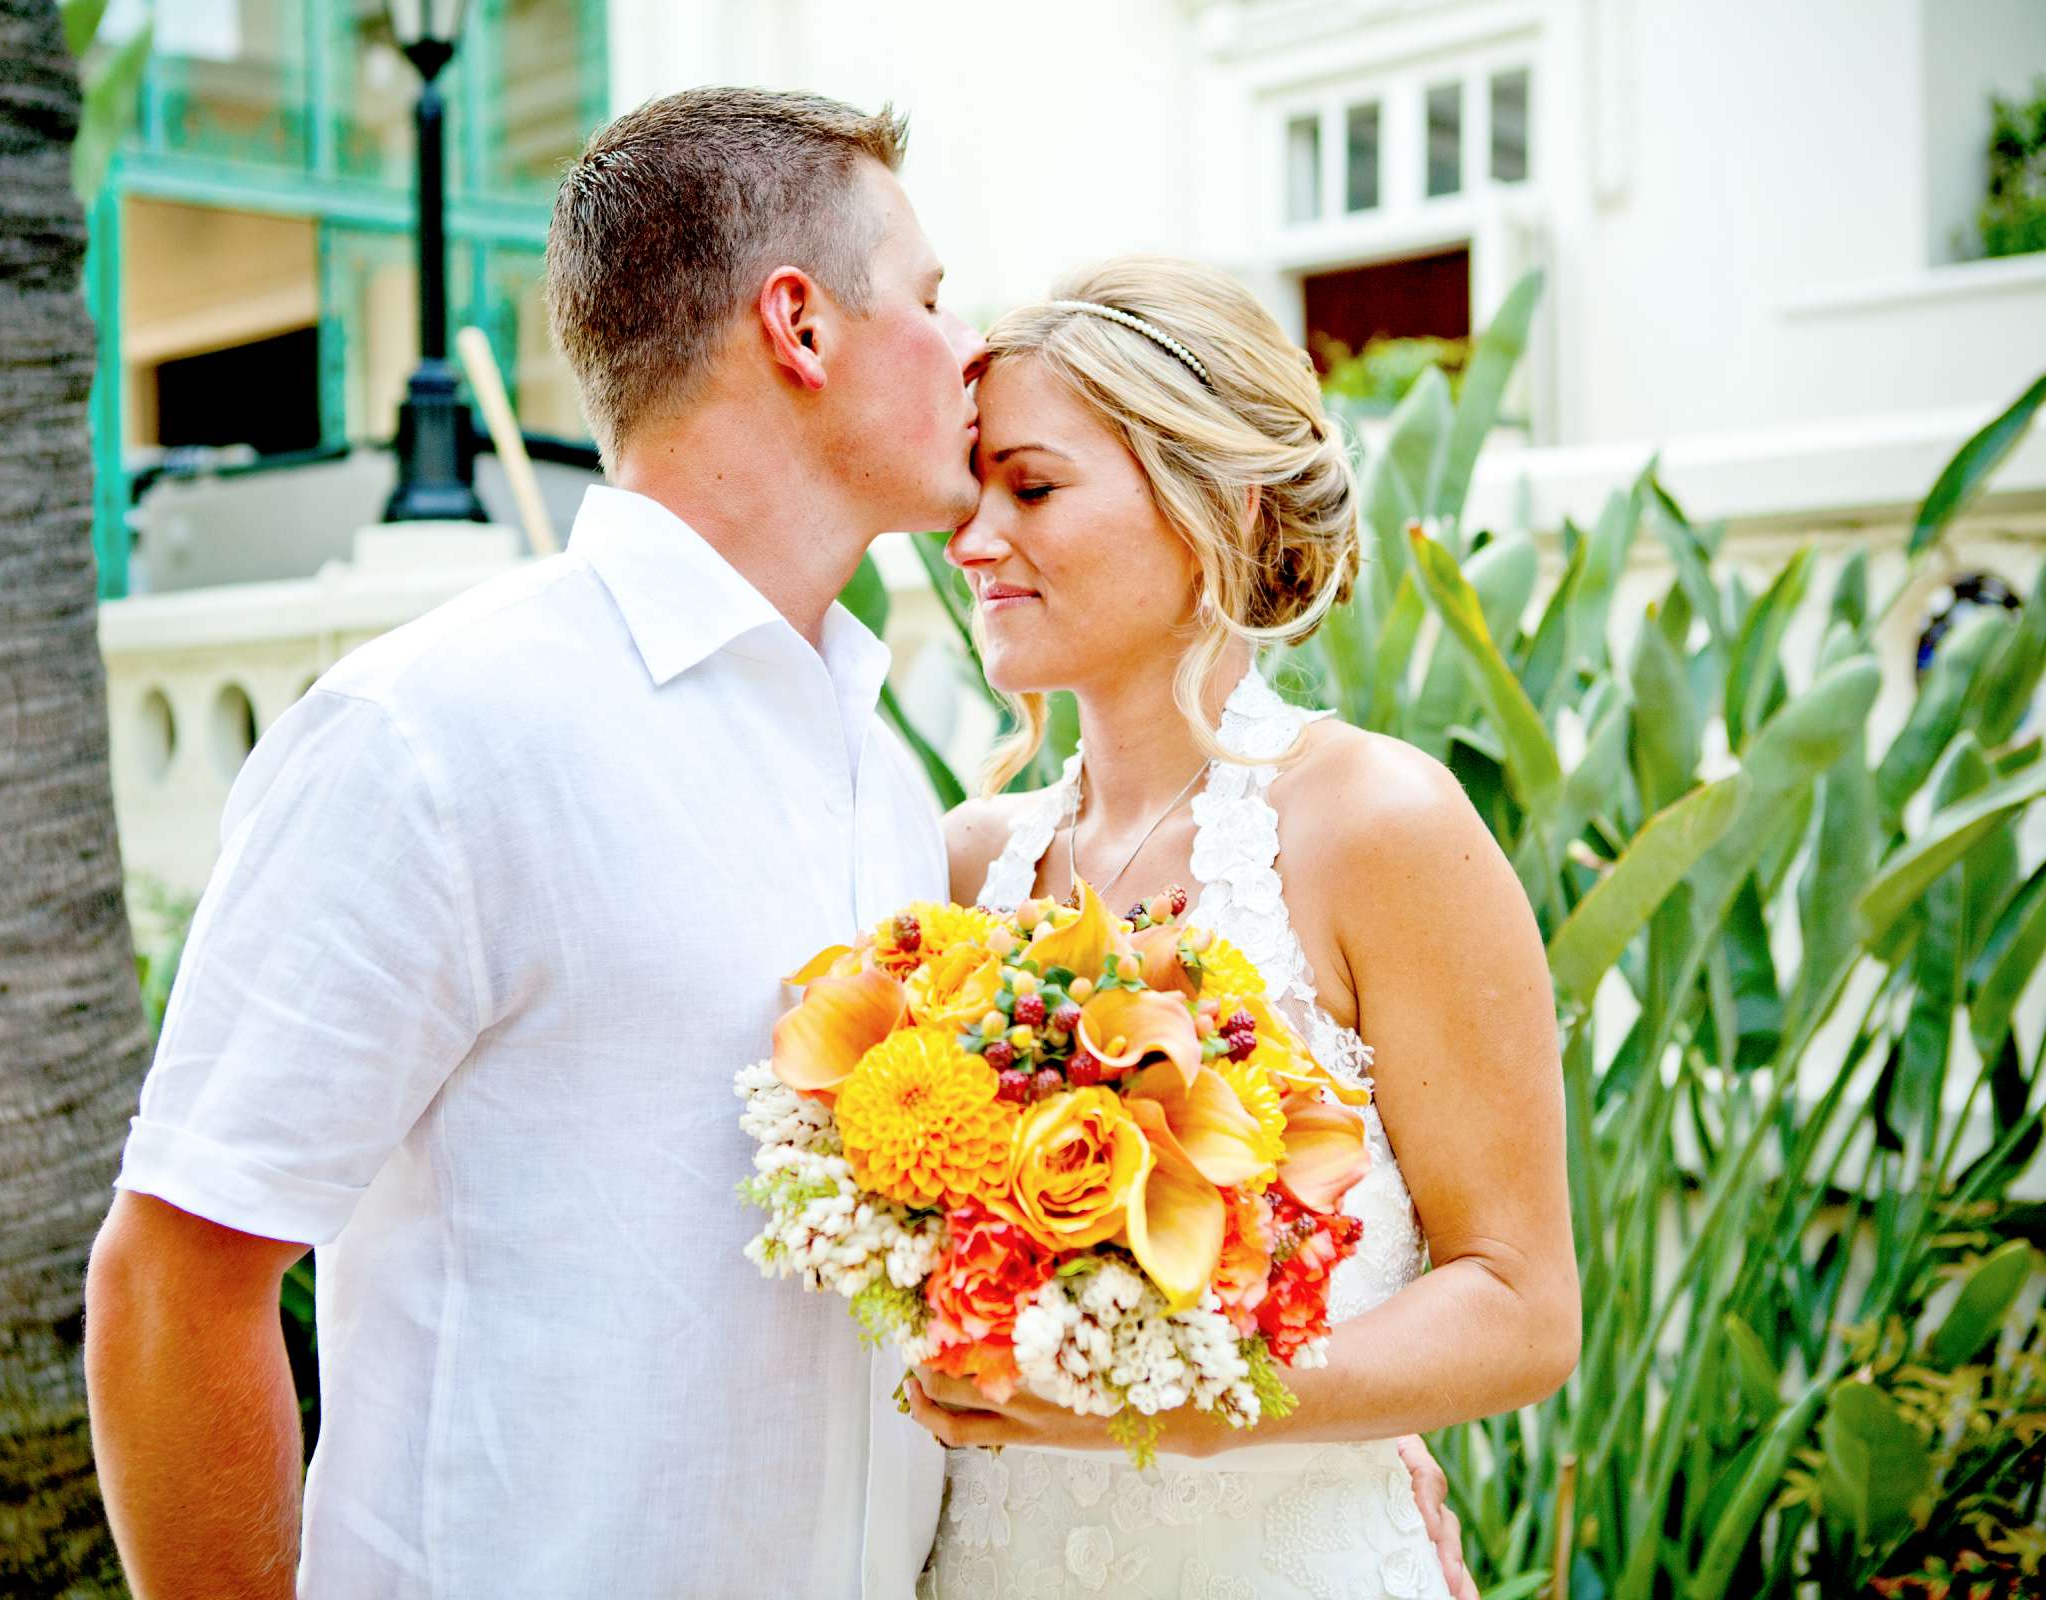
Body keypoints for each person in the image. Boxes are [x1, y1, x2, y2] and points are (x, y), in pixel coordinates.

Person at [83, 86, 1475, 1597]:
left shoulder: (888, 786)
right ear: (800, 328)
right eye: (935, 300)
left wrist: (1308, 1447)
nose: (973, 352)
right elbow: (175, 1283)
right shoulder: (435, 735)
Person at [904, 257, 1579, 1599]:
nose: (971, 539)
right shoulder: (964, 867)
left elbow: (1520, 1304)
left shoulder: (1378, 825)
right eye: (972, 489)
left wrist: (1197, 1403)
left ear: (1222, 503)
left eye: (1031, 487)